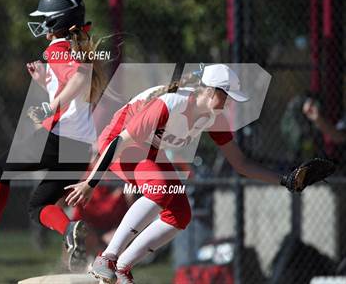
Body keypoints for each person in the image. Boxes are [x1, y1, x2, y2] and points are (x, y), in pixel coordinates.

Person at [64, 64, 286, 283]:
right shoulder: (171, 103)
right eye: (226, 96)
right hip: (117, 145)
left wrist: (285, 179)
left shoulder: (214, 118)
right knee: (160, 187)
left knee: (179, 214)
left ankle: (122, 267)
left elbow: (241, 163)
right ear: (209, 91)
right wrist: (90, 183)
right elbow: (119, 142)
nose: (229, 102)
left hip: (148, 151)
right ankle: (106, 259)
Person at [0, 0, 107, 271]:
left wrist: (52, 106)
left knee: (1, 168)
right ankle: (70, 230)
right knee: (40, 207)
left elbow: (80, 78)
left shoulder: (57, 49)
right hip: (80, 145)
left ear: (58, 22)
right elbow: (76, 78)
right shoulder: (76, 49)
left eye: (46, 19)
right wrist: (43, 82)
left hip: (58, 138)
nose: (42, 25)